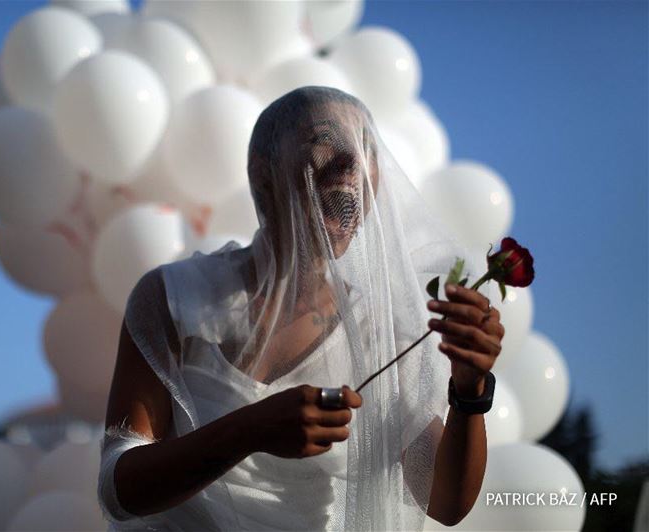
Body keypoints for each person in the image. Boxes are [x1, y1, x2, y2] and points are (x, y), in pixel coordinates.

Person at [97, 86, 505, 531]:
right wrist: (250, 431)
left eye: (366, 148)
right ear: (264, 174)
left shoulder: (376, 329)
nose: (352, 164)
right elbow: (119, 488)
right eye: (326, 140)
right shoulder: (175, 297)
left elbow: (444, 502)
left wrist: (469, 391)